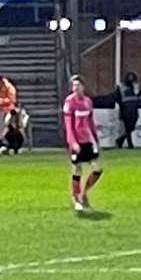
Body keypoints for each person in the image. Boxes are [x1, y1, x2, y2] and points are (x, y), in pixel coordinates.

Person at [61, 75, 103, 213]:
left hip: (87, 141)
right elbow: (68, 125)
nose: (76, 88)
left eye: (78, 85)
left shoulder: (87, 102)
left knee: (97, 169)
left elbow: (90, 122)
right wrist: (72, 142)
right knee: (77, 170)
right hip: (76, 141)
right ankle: (76, 199)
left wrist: (95, 139)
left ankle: (84, 193)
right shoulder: (69, 102)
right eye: (73, 86)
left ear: (83, 87)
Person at [116, 73, 141, 149]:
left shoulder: (136, 86)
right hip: (126, 108)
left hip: (134, 107)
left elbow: (139, 95)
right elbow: (118, 98)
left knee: (132, 126)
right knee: (128, 126)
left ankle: (120, 139)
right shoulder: (121, 86)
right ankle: (130, 144)